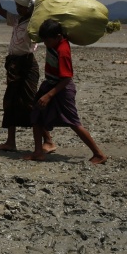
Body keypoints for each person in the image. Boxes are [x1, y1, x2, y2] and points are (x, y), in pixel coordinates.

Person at [24, 20, 107, 164]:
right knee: (36, 115)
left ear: (57, 37)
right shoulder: (54, 42)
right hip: (50, 84)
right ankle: (38, 152)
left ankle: (98, 154)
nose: (46, 43)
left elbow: (67, 78)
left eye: (47, 40)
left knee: (73, 122)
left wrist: (49, 95)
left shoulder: (62, 50)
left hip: (62, 89)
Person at [0, 0, 52, 153]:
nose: (17, 7)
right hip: (13, 63)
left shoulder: (35, 22)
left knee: (31, 101)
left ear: (30, 7)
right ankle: (11, 141)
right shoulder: (17, 20)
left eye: (21, 5)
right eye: (17, 5)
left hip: (27, 63)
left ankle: (48, 139)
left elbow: (41, 12)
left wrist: (34, 1)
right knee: (11, 101)